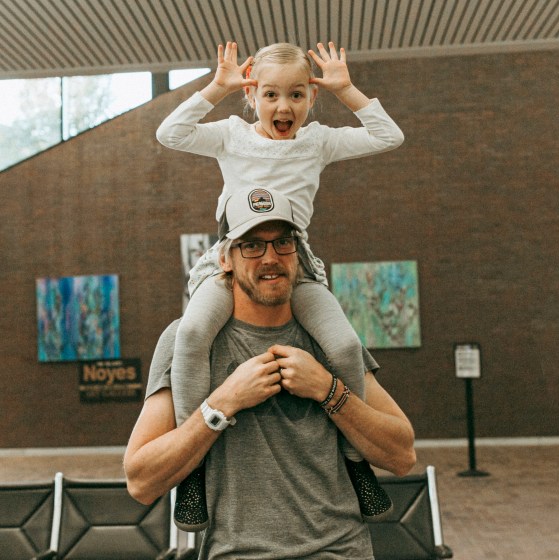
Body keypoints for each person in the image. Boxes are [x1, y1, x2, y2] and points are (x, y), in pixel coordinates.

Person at [156, 40, 405, 530]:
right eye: (270, 94)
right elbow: (170, 133)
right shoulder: (231, 135)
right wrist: (217, 87)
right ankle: (194, 471)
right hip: (232, 259)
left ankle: (356, 464)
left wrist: (347, 90)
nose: (283, 106)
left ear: (312, 98)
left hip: (295, 263)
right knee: (191, 334)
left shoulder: (319, 142)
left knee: (344, 345)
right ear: (252, 97)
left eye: (296, 94)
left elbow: (388, 136)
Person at [124, 187, 416, 559]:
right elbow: (141, 481)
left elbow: (402, 454)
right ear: (225, 258)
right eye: (251, 245)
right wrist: (221, 404)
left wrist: (329, 391)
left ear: (298, 251)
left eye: (282, 242)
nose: (271, 258)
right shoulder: (184, 342)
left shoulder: (328, 340)